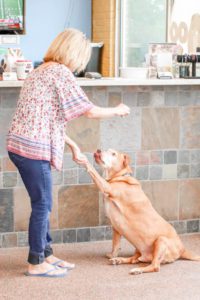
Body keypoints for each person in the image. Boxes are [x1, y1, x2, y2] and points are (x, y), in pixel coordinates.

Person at [7, 28, 130, 278]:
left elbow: (46, 118)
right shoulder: (59, 72)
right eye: (81, 57)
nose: (80, 64)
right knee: (43, 204)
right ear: (74, 53)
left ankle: (46, 253)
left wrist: (73, 146)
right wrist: (117, 110)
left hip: (20, 145)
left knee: (42, 202)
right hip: (32, 148)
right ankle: (36, 262)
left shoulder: (40, 70)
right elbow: (90, 111)